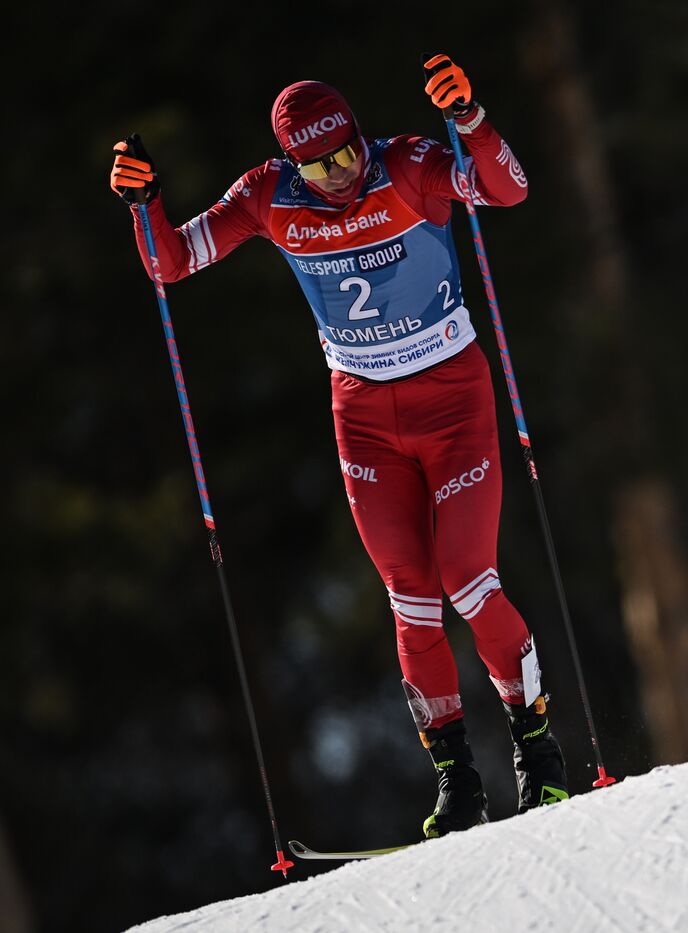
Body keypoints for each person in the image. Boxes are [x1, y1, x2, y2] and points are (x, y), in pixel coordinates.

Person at [110, 55, 568, 836]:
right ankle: (456, 776)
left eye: (348, 152)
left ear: (362, 136)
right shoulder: (265, 195)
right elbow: (170, 261)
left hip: (452, 398)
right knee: (412, 600)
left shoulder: (409, 165)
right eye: (319, 164)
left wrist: (469, 122)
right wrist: (143, 202)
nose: (340, 174)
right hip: (362, 414)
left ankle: (538, 749)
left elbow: (509, 187)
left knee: (469, 582)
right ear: (292, 162)